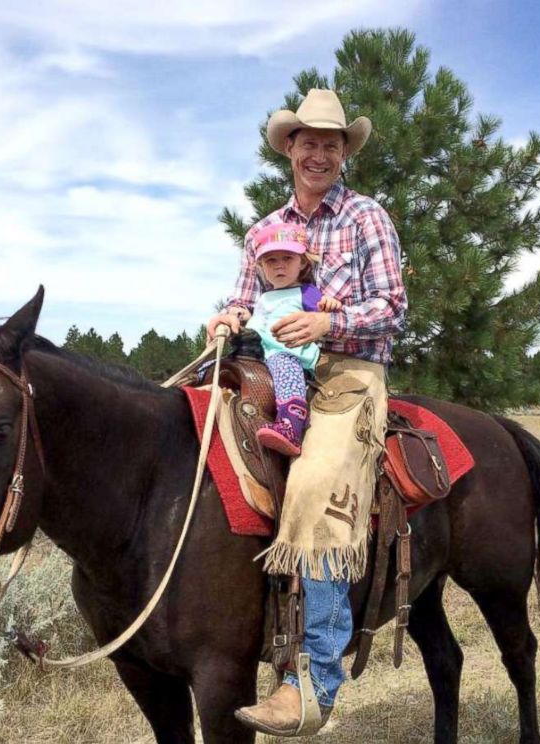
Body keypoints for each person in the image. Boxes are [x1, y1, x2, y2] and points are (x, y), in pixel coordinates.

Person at [207, 88, 407, 736]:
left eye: (331, 142)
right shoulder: (267, 230)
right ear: (289, 149)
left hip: (348, 369)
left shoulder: (366, 218)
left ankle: (313, 681)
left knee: (319, 485)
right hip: (271, 368)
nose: (318, 153)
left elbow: (393, 306)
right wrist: (228, 316)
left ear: (344, 151)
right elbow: (242, 298)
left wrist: (328, 318)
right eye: (307, 141)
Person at [240, 221, 342, 456]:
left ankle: (290, 424)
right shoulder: (265, 297)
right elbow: (258, 324)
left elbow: (324, 315)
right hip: (261, 354)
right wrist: (243, 318)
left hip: (289, 353)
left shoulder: (306, 293)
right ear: (261, 267)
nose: (279, 267)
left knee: (285, 366)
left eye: (287, 258)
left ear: (303, 262)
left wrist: (330, 306)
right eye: (271, 261)